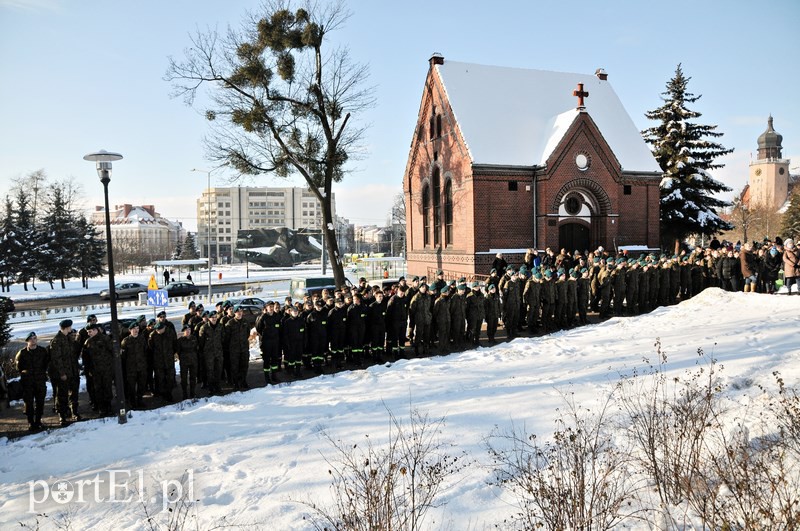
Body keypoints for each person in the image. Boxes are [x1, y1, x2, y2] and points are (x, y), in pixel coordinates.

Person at [16, 332, 50, 431]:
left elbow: (46, 364)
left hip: (40, 381)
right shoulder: (22, 353)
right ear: (27, 341)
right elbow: (18, 367)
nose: (33, 340)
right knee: (28, 403)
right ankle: (31, 422)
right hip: (28, 382)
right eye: (31, 339)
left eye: (35, 338)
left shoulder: (42, 351)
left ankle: (38, 421)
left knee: (40, 402)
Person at [48, 319, 80, 425]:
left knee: (73, 394)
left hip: (72, 372)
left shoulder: (68, 339)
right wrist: (62, 373)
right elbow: (57, 359)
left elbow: (72, 357)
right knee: (62, 395)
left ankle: (74, 412)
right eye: (70, 327)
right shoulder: (57, 340)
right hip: (64, 374)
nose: (71, 329)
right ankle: (62, 415)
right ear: (66, 328)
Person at [82, 324, 114, 416]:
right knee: (98, 390)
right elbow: (86, 358)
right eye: (88, 332)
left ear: (96, 330)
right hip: (95, 371)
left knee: (107, 388)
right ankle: (102, 409)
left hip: (106, 369)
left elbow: (112, 352)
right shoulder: (88, 342)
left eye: (90, 331)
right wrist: (88, 370)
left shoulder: (105, 339)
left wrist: (111, 366)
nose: (88, 334)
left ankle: (109, 407)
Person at [121, 321, 147, 409]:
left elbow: (145, 351)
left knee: (141, 385)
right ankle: (132, 402)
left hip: (141, 367)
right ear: (130, 330)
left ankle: (140, 400)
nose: (136, 330)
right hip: (131, 368)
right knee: (131, 387)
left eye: (137, 329)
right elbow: (123, 356)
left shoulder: (142, 338)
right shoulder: (126, 341)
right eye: (134, 329)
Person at [226, 306, 252, 390]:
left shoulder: (245, 322)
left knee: (244, 366)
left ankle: (243, 381)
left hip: (244, 348)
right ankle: (236, 383)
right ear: (234, 313)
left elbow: (248, 333)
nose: (240, 313)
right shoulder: (230, 323)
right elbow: (227, 337)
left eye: (241, 311)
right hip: (234, 349)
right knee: (235, 367)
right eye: (238, 312)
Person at [177, 325, 199, 399]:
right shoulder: (180, 340)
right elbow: (178, 351)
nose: (188, 331)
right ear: (184, 331)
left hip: (193, 360)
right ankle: (185, 393)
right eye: (186, 330)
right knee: (184, 378)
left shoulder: (194, 338)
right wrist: (182, 357)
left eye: (189, 329)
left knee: (193, 377)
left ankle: (192, 393)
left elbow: (196, 348)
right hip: (184, 361)